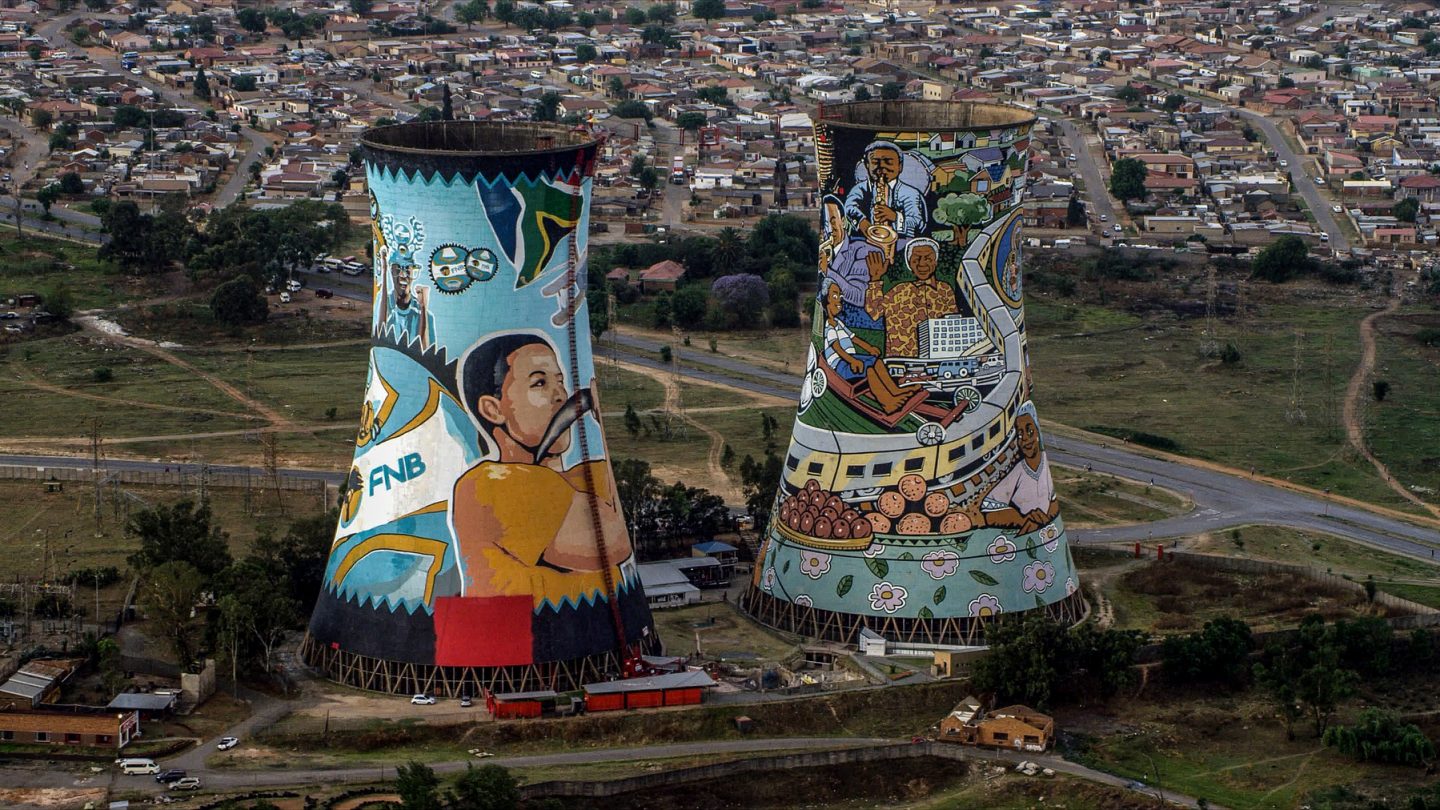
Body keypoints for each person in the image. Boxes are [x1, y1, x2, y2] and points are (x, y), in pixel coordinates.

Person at [437, 333, 637, 667]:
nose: (562, 395)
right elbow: (611, 545)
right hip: (515, 649)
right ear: (493, 409)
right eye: (540, 383)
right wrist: (597, 433)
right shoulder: (491, 485)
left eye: (560, 381)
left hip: (586, 648)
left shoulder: (585, 475)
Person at [819, 277, 909, 411]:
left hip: (851, 358)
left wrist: (870, 348)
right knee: (869, 370)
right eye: (835, 295)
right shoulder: (830, 326)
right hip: (840, 364)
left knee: (876, 361)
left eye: (840, 295)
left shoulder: (839, 323)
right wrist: (852, 361)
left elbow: (854, 338)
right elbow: (836, 348)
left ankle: (895, 391)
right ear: (826, 299)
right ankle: (887, 402)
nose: (840, 299)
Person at [863, 238, 958, 359]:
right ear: (909, 263)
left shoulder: (945, 290)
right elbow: (874, 312)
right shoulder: (899, 291)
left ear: (935, 262)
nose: (922, 264)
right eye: (916, 259)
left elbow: (953, 323)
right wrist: (875, 279)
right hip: (903, 360)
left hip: (940, 359)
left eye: (928, 258)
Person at [975, 408, 1060, 534]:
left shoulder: (1043, 464)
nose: (1025, 438)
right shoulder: (1019, 471)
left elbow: (1052, 500)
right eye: (1020, 434)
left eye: (1030, 431)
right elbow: (989, 509)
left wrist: (1045, 518)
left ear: (1037, 432)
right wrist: (1022, 520)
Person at [842, 142, 928, 237]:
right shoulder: (860, 188)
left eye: (888, 162)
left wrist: (894, 217)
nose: (882, 166)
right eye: (875, 162)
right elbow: (849, 206)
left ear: (900, 166)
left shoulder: (910, 193)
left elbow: (917, 223)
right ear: (867, 165)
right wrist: (863, 223)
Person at [383, 262, 434, 349]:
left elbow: (427, 354)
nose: (403, 275)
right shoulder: (385, 309)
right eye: (398, 270)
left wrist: (423, 307)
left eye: (407, 270)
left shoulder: (425, 315)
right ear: (391, 272)